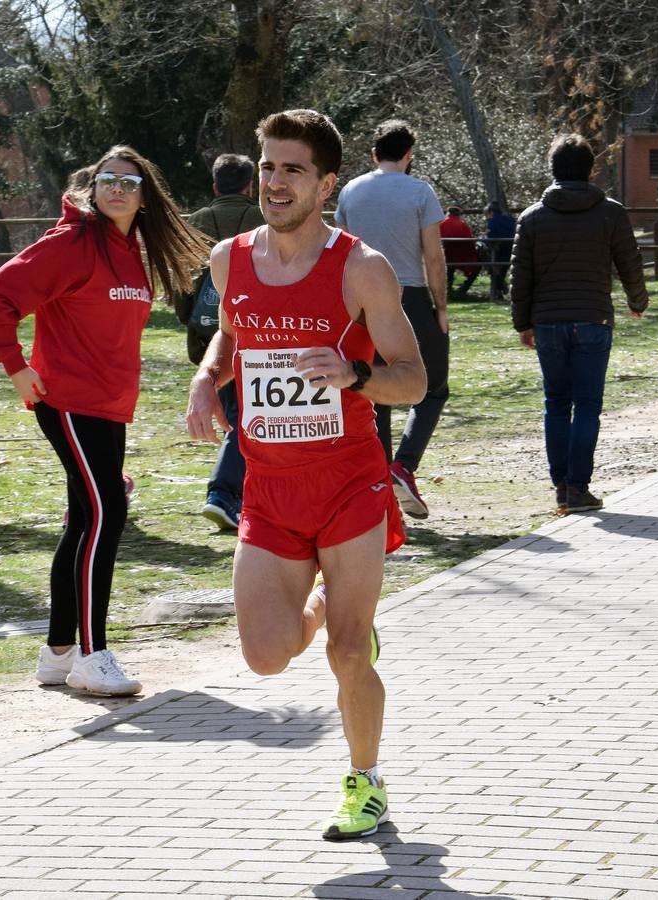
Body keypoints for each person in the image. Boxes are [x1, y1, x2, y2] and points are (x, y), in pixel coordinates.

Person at [186, 109, 426, 840]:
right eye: (267, 167)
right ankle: (325, 600)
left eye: (292, 169)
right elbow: (231, 332)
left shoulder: (363, 268)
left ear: (326, 183)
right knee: (264, 656)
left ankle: (365, 783)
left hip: (350, 483)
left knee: (348, 651)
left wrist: (354, 374)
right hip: (271, 488)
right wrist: (205, 379)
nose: (275, 182)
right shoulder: (229, 258)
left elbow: (413, 380)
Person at [0, 145, 208, 696]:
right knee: (107, 515)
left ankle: (58, 653)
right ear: (93, 185)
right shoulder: (71, 242)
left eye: (129, 183)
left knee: (85, 520)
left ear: (144, 197)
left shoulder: (130, 251)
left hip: (109, 406)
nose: (118, 189)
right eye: (108, 179)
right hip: (71, 403)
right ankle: (92, 652)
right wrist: (16, 367)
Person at [510, 133, 649, 513]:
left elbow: (521, 275)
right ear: (590, 169)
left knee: (556, 402)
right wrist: (638, 301)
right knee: (587, 405)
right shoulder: (611, 213)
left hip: (549, 322)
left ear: (553, 169)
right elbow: (629, 262)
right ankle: (578, 486)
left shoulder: (532, 218)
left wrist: (523, 323)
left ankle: (560, 485)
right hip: (594, 319)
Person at [334, 119, 448, 520]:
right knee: (433, 387)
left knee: (374, 387)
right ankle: (405, 464)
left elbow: (341, 250)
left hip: (361, 301)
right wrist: (441, 306)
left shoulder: (350, 190)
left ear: (374, 154)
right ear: (409, 155)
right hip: (411, 293)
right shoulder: (420, 192)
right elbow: (433, 256)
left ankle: (381, 484)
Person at [175, 153, 264, 530]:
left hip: (204, 332)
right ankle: (223, 493)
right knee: (243, 413)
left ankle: (238, 491)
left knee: (233, 409)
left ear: (214, 186)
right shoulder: (263, 221)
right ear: (250, 186)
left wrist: (189, 319)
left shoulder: (194, 223)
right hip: (252, 330)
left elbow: (181, 284)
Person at [438, 205, 481, 299]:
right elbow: (470, 241)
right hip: (463, 256)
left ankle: (448, 290)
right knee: (479, 265)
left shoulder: (442, 223)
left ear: (448, 213)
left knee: (449, 268)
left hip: (447, 255)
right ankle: (462, 289)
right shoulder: (463, 224)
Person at [483, 200, 516, 302]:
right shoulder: (510, 219)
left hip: (498, 249)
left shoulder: (493, 221)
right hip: (511, 249)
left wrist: (484, 237)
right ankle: (500, 291)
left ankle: (499, 290)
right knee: (502, 270)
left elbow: (491, 236)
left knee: (493, 269)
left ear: (491, 212)